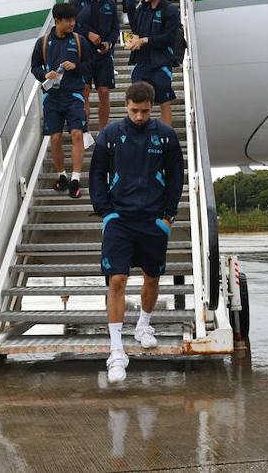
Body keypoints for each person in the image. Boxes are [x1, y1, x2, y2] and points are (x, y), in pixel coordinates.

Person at [89, 81, 184, 383]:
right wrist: (106, 213)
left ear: (152, 107)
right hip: (120, 219)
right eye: (134, 111)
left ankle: (143, 324)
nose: (139, 117)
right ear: (125, 106)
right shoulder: (110, 135)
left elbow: (175, 178)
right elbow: (97, 176)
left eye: (144, 111)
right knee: (117, 279)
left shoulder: (166, 137)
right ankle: (117, 351)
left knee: (152, 278)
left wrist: (167, 217)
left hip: (153, 220)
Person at [31, 2, 90, 198]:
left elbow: (91, 64)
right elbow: (35, 67)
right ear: (57, 21)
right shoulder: (43, 42)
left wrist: (76, 66)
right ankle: (61, 175)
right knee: (55, 138)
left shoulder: (79, 40)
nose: (72, 23)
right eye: (68, 20)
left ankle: (75, 179)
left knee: (77, 134)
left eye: (74, 19)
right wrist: (45, 75)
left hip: (73, 95)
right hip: (52, 97)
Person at [127, 0, 181, 127]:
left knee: (164, 100)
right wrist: (132, 41)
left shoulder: (170, 10)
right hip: (142, 62)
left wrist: (145, 40)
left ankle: (167, 137)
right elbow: (136, 32)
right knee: (137, 99)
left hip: (162, 61)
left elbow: (169, 38)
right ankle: (137, 132)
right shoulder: (141, 10)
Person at [71, 0, 120, 129]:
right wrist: (88, 34)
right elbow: (70, 27)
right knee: (84, 92)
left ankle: (103, 132)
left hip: (104, 55)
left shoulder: (111, 3)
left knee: (104, 93)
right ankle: (84, 132)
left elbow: (115, 30)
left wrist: (109, 43)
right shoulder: (76, 3)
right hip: (83, 55)